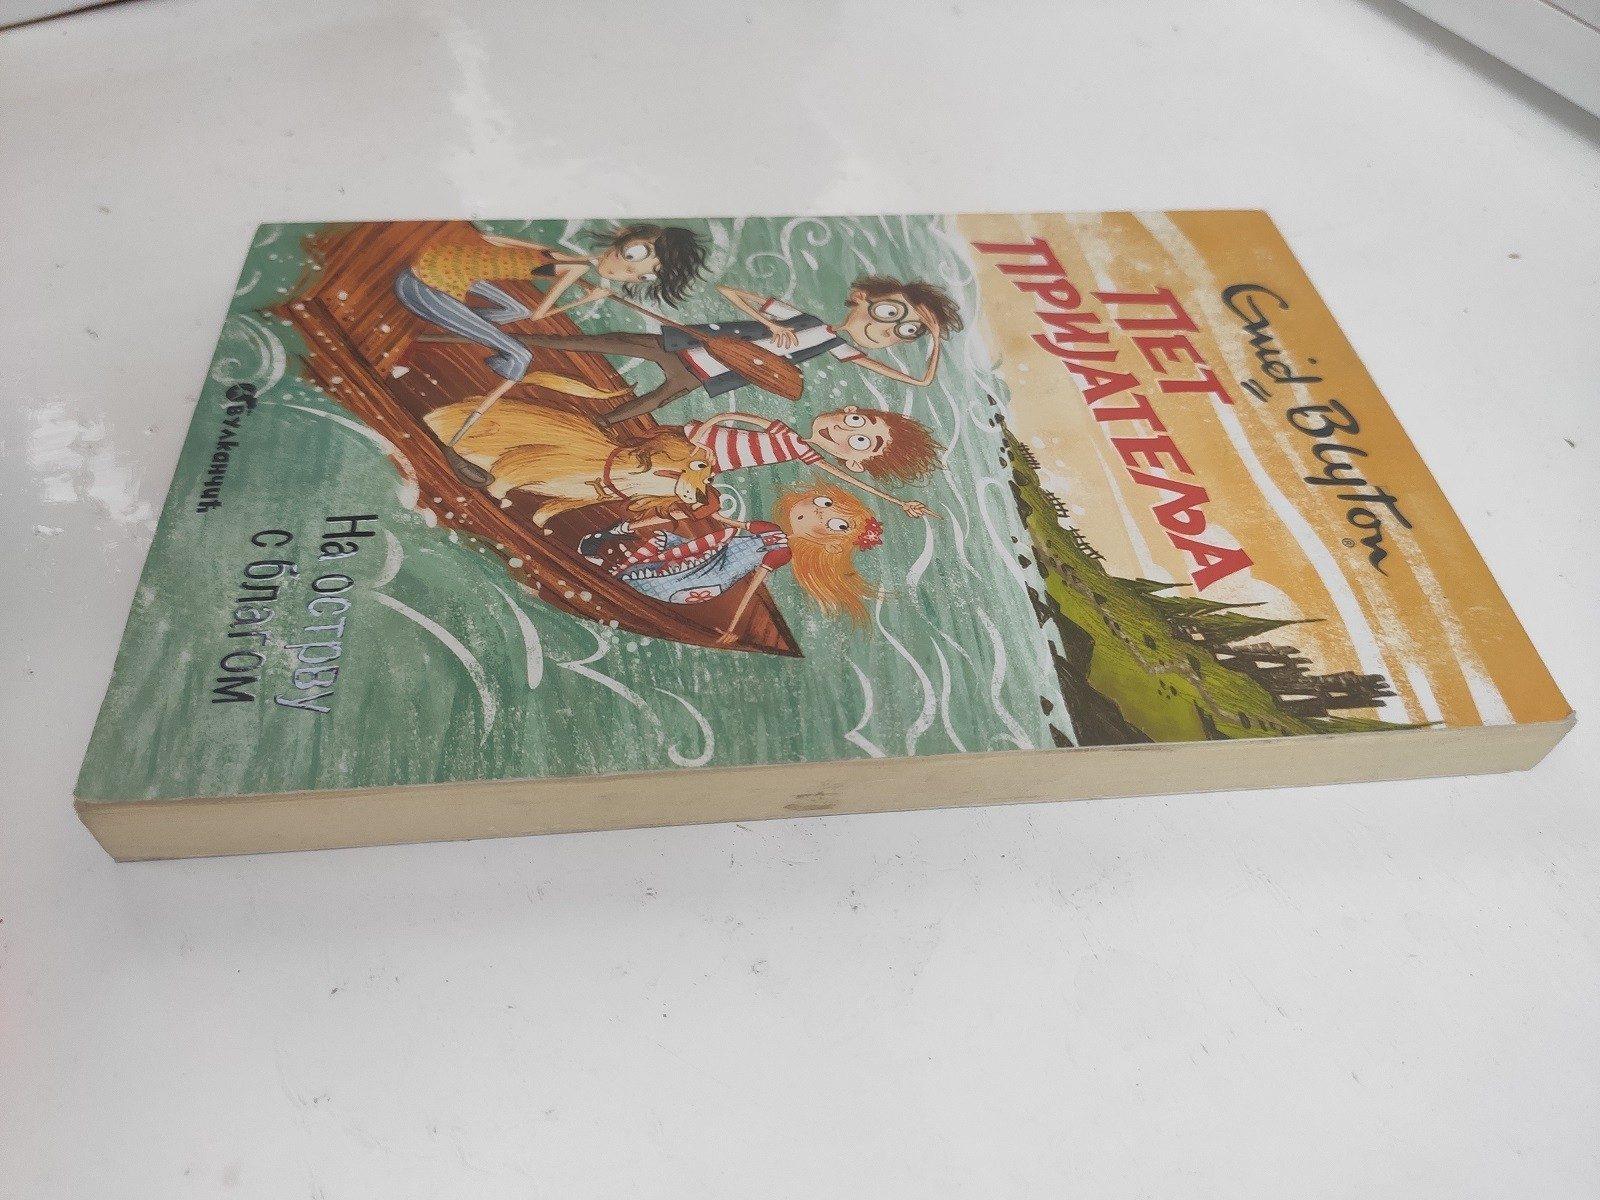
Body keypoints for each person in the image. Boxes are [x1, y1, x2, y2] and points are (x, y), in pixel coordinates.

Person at [514, 274, 964, 427]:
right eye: (890, 314)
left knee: (643, 406)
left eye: (905, 331)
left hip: (705, 374)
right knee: (602, 342)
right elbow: (729, 292)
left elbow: (920, 381)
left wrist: (935, 339)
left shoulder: (836, 347)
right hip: (688, 345)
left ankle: (576, 423)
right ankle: (527, 340)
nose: (886, 331)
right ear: (864, 298)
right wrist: (771, 324)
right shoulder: (802, 318)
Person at [394, 222, 710, 414]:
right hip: (424, 286)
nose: (620, 272)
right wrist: (586, 299)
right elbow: (539, 316)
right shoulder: (575, 267)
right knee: (521, 355)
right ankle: (475, 411)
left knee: (514, 311)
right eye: (629, 259)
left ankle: (461, 324)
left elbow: (494, 240)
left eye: (635, 275)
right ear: (623, 238)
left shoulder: (559, 254)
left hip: (440, 270)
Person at [579, 480, 884, 646]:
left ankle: (614, 576)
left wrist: (732, 626)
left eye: (835, 524)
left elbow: (752, 587)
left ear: (832, 544)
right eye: (825, 504)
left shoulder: (781, 552)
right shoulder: (767, 527)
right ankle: (614, 550)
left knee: (658, 574)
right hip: (708, 553)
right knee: (662, 539)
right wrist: (701, 502)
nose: (818, 513)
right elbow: (725, 521)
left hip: (706, 579)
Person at [682, 405, 943, 521]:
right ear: (851, 410)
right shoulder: (788, 435)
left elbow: (848, 481)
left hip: (713, 465)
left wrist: (900, 503)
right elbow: (728, 416)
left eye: (860, 441)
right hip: (696, 442)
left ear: (855, 463)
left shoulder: (804, 453)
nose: (841, 429)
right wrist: (701, 437)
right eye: (856, 422)